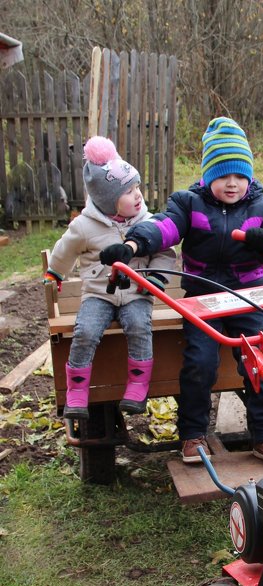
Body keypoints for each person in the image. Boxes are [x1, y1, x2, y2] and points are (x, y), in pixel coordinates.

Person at [99, 117, 263, 468]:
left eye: (239, 175)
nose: (232, 183)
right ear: (208, 175)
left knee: (260, 363)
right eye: (223, 175)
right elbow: (163, 227)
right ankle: (193, 434)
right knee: (198, 363)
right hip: (202, 298)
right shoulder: (189, 203)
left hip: (250, 296)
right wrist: (131, 245)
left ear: (248, 176)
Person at [43, 136, 175, 420]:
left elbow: (165, 252)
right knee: (86, 330)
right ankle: (77, 392)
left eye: (137, 186)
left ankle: (138, 386)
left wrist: (156, 279)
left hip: (137, 291)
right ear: (107, 201)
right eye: (129, 191)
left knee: (140, 326)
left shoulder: (147, 222)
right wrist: (55, 272)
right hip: (98, 294)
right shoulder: (85, 226)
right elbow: (64, 249)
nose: (138, 194)